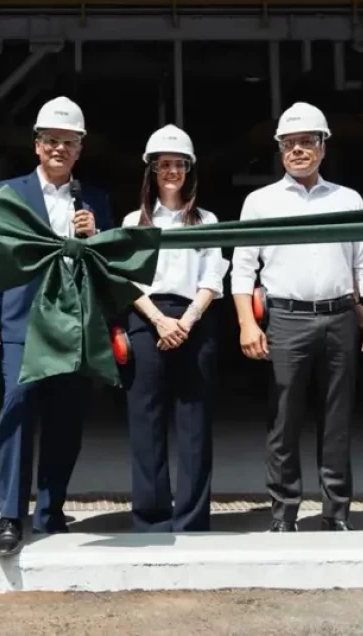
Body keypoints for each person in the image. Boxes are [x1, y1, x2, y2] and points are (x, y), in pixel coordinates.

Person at [230, 102, 363, 533]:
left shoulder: (348, 199)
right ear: (280, 149)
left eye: (307, 141)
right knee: (284, 420)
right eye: (289, 143)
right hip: (286, 319)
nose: (298, 150)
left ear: (323, 146)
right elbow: (242, 268)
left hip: (340, 317)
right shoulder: (260, 202)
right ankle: (284, 514)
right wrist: (247, 323)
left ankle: (336, 514)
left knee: (337, 419)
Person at [0, 96, 114, 556]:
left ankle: (51, 512)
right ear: (37, 145)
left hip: (74, 325)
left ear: (80, 149)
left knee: (66, 420)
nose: (59, 148)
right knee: (16, 412)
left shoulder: (95, 200)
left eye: (68, 142)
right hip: (22, 318)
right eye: (51, 140)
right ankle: (10, 517)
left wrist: (97, 236)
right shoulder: (8, 192)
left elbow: (112, 264)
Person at [121, 125, 228, 533]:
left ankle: (191, 521)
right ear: (151, 170)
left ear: (189, 170)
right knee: (146, 423)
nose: (172, 171)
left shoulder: (206, 220)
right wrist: (159, 320)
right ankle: (151, 520)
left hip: (193, 318)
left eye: (179, 164)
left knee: (194, 424)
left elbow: (213, 277)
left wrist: (186, 320)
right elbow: (127, 279)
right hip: (147, 319)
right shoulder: (134, 220)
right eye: (164, 164)